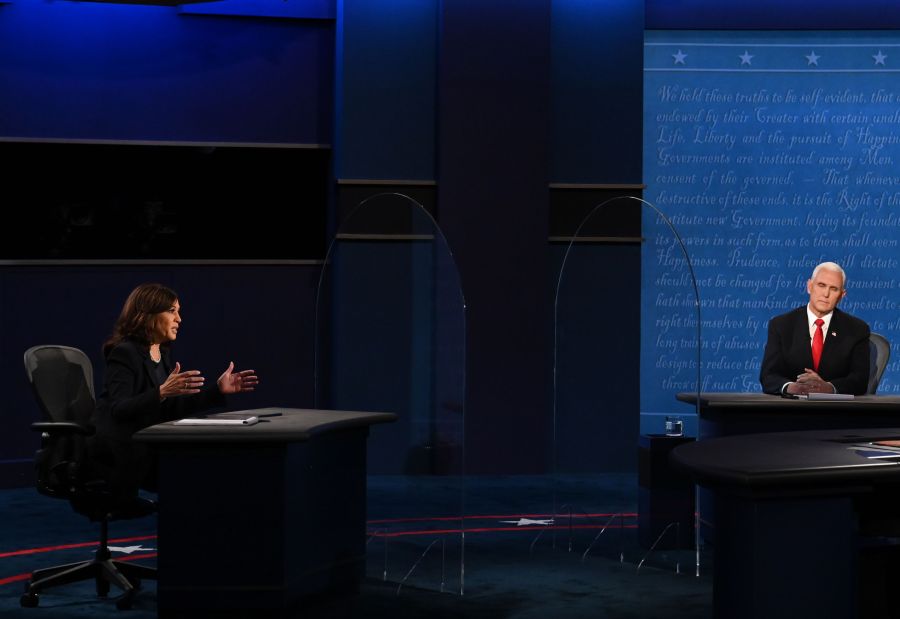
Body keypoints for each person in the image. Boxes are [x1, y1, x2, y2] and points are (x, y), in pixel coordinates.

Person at [91, 283, 259, 495]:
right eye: (172, 311)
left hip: (152, 443)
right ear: (147, 314)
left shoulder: (162, 353)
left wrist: (217, 390)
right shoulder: (125, 353)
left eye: (178, 312)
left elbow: (168, 409)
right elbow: (119, 409)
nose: (179, 319)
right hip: (125, 449)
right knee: (196, 470)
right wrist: (160, 392)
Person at [759, 261, 870, 395]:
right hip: (791, 409)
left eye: (834, 289)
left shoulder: (857, 330)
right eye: (821, 285)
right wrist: (791, 387)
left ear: (842, 295)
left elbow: (859, 380)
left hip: (837, 411)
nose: (826, 294)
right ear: (809, 286)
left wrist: (829, 388)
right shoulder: (781, 325)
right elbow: (768, 376)